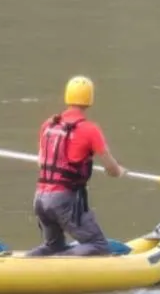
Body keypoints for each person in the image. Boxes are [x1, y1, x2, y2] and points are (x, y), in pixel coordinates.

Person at [25, 75, 126, 257]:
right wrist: (119, 171)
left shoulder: (48, 125)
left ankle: (31, 260)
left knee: (52, 245)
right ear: (90, 99)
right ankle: (58, 261)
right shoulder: (89, 129)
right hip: (63, 201)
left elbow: (41, 161)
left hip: (40, 199)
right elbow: (111, 168)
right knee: (98, 245)